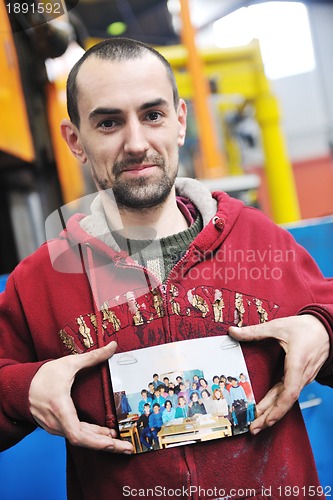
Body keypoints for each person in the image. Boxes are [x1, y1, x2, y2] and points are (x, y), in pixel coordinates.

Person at [0, 36, 333, 500]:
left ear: (179, 121)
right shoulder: (40, 283)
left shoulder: (261, 241)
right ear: (75, 140)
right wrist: (23, 389)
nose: (136, 143)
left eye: (152, 115)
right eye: (109, 122)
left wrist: (323, 329)